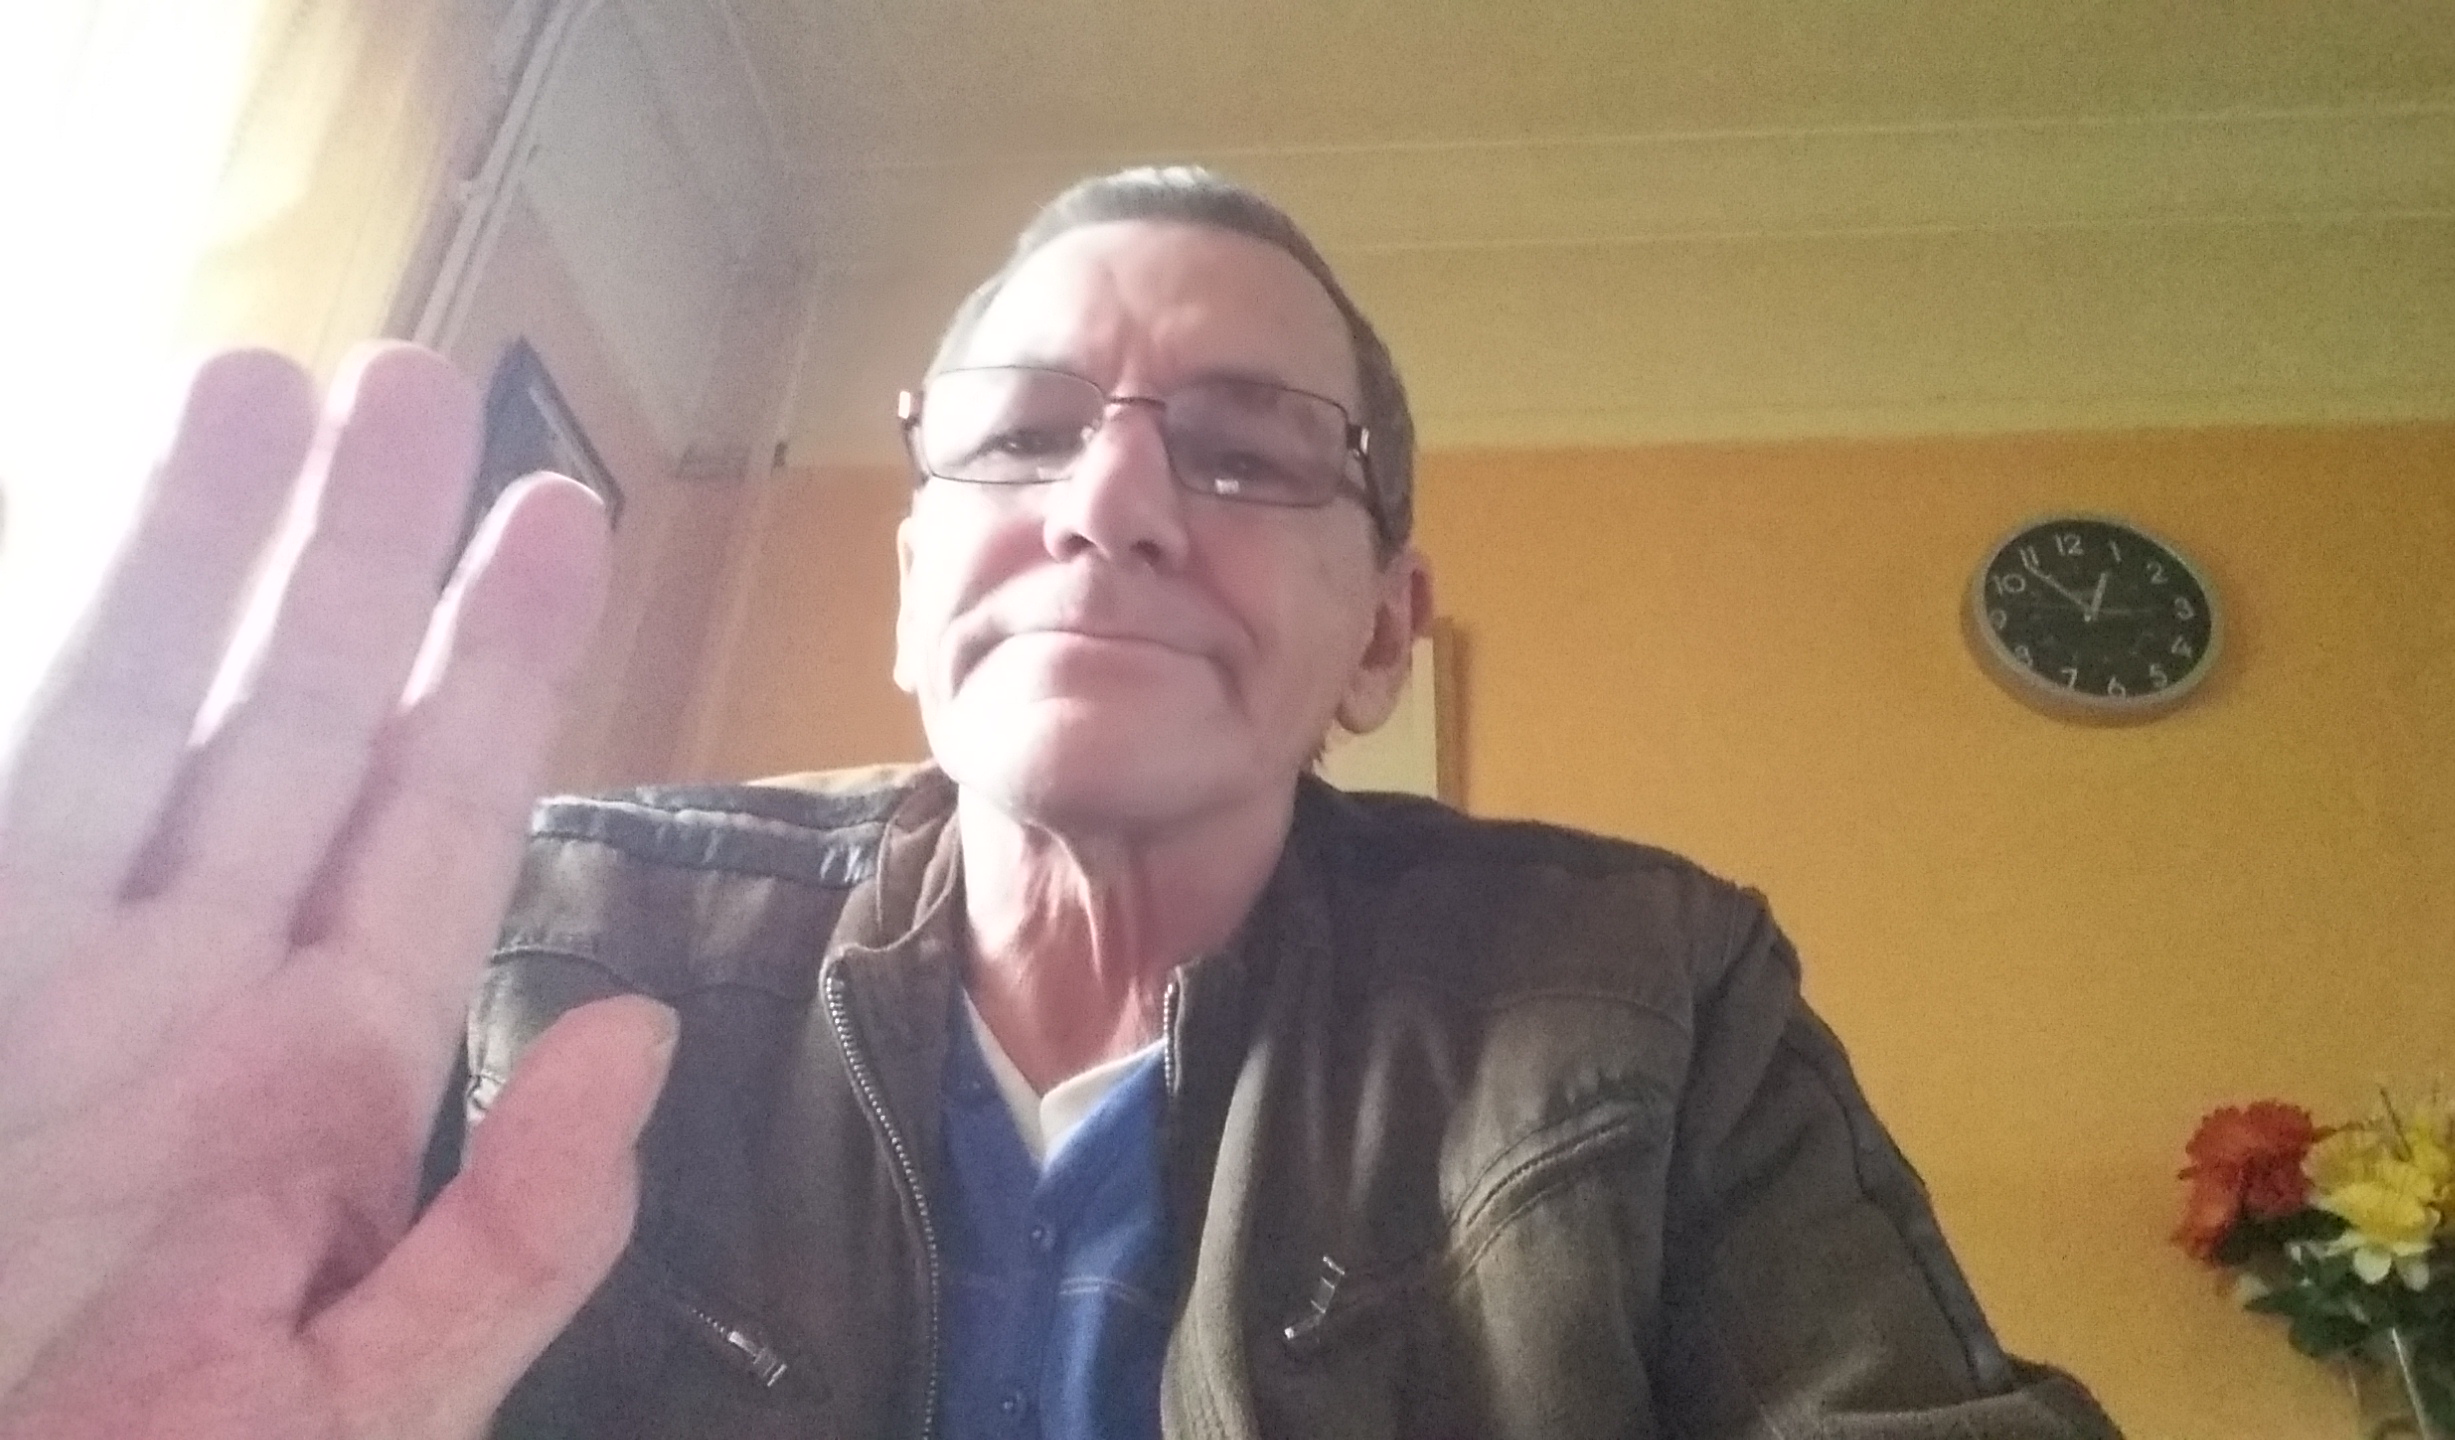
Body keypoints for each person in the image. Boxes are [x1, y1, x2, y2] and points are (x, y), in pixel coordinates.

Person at [0, 168, 2118, 1439]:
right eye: (1017, 439)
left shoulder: (1647, 989)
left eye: (1248, 451)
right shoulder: (522, 950)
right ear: (914, 585)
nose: (1107, 503)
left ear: (1381, 637)